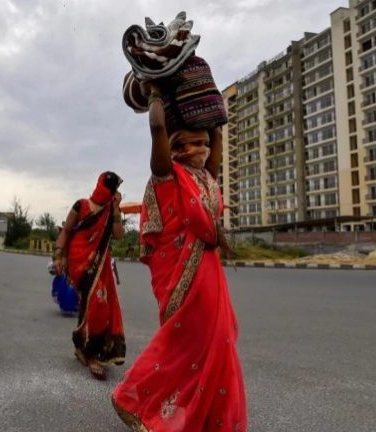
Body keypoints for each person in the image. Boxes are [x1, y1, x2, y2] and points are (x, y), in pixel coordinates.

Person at [111, 82, 247, 431]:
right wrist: (155, 89)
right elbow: (157, 127)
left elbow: (217, 135)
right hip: (182, 281)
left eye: (201, 143)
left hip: (210, 276)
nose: (197, 149)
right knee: (188, 346)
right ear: (172, 149)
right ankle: (134, 397)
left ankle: (204, 420)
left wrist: (209, 105)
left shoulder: (207, 179)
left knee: (219, 343)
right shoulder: (168, 176)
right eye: (185, 143)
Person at [53, 172, 126, 380]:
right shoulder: (81, 205)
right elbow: (66, 231)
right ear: (103, 187)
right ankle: (91, 353)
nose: (115, 193)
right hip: (79, 260)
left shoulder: (110, 210)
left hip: (100, 262)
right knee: (94, 301)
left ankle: (83, 346)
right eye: (113, 189)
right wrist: (59, 257)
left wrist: (116, 210)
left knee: (94, 302)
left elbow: (119, 235)